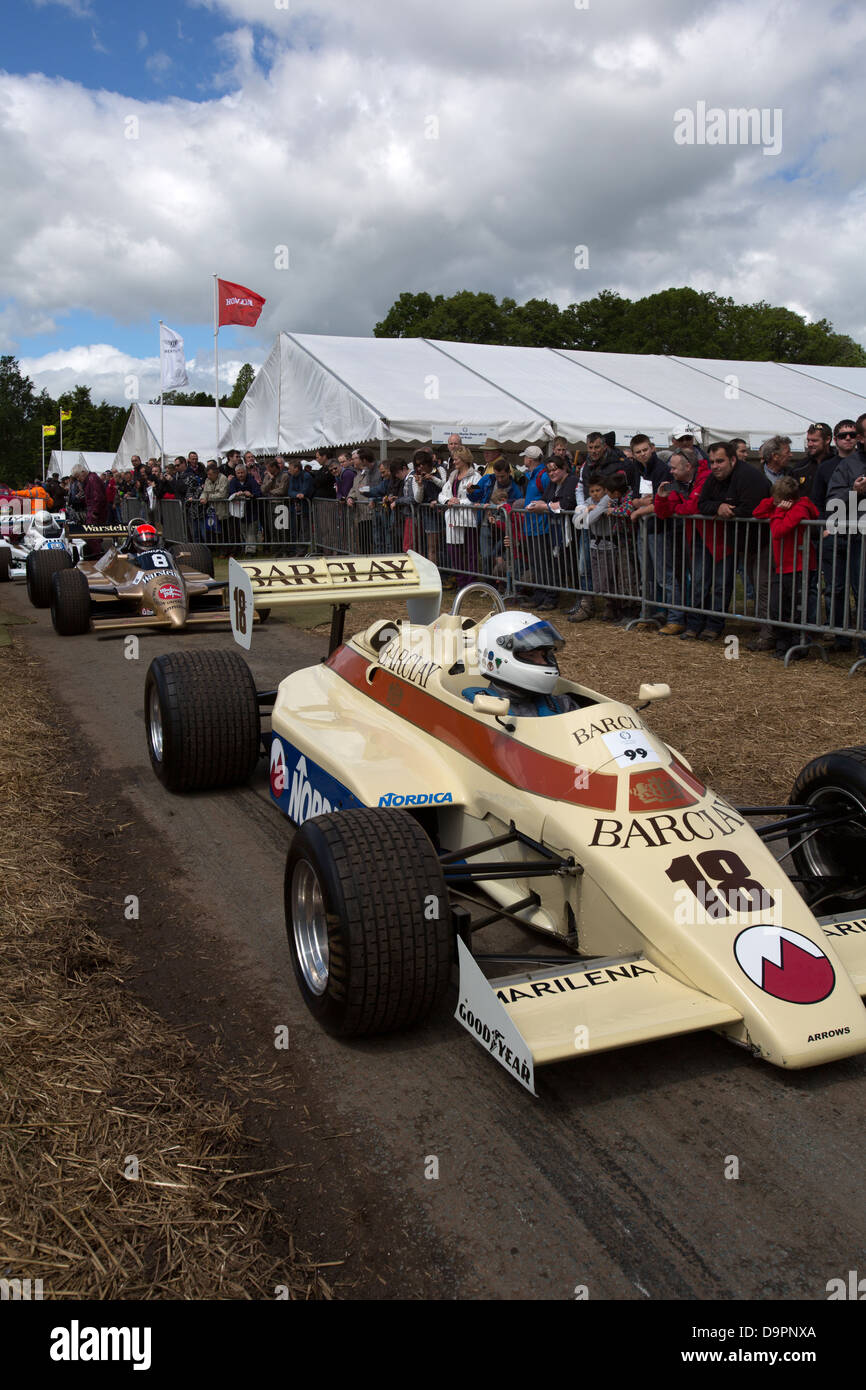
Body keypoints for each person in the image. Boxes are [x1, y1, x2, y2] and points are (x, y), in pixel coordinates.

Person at [752, 476, 820, 659]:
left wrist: (779, 511)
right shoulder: (781, 507)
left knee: (795, 610)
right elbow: (758, 513)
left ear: (787, 500)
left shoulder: (800, 510)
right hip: (782, 567)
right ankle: (782, 646)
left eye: (776, 499)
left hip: (798, 567)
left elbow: (778, 531)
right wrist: (773, 503)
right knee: (777, 609)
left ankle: (798, 647)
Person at [472, 611, 583, 717]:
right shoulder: (477, 713)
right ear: (499, 656)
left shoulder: (564, 705)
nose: (543, 662)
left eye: (544, 655)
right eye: (531, 655)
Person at [651, 449, 710, 634]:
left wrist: (678, 508)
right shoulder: (676, 484)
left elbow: (693, 507)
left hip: (705, 538)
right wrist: (661, 498)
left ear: (688, 467)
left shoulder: (705, 478)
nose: (671, 471)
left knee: (702, 581)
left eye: (674, 468)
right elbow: (663, 512)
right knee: (686, 578)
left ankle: (700, 622)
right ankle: (689, 621)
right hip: (686, 537)